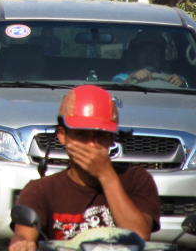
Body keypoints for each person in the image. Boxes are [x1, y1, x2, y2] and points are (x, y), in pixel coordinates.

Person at [9, 85, 160, 251]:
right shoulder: (41, 190)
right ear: (62, 135)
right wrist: (23, 243)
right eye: (82, 134)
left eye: (101, 136)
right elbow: (23, 235)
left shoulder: (136, 179)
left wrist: (106, 176)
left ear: (112, 138)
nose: (91, 144)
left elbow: (139, 235)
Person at [113, 31, 186, 87]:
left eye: (154, 51)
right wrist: (130, 79)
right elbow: (115, 93)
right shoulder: (122, 77)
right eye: (144, 51)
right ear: (136, 55)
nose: (149, 56)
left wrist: (182, 83)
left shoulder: (171, 78)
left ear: (161, 56)